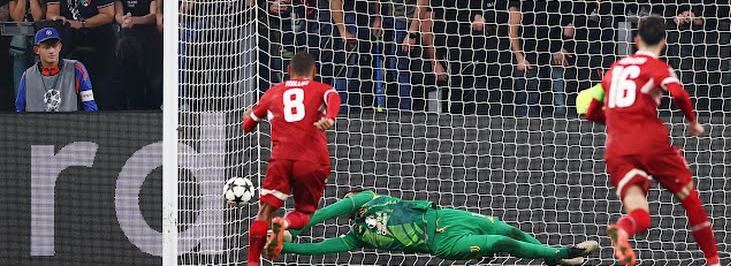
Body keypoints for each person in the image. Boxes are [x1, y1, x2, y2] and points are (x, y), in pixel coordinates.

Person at [581, 15, 720, 266]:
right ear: (664, 42)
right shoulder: (658, 68)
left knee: (639, 214)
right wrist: (692, 122)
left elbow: (591, 112)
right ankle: (713, 260)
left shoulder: (615, 69)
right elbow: (678, 93)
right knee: (691, 201)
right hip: (651, 144)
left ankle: (622, 231)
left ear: (636, 40)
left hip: (617, 150)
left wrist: (616, 122)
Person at [269, 189, 598, 265]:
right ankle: (561, 252)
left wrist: (292, 224)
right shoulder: (355, 237)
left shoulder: (366, 199)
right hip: (439, 244)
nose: (349, 197)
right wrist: (288, 243)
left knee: (510, 231)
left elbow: (321, 214)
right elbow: (320, 246)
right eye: (348, 198)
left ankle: (556, 259)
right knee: (498, 242)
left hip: (446, 217)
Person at [240, 52, 341, 266]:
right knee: (305, 212)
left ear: (288, 71)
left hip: (281, 159)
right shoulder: (321, 88)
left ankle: (252, 263)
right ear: (314, 72)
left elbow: (247, 126)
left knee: (264, 212)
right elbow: (333, 96)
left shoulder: (272, 93)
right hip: (312, 159)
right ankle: (283, 223)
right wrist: (329, 117)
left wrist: (247, 116)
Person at [15, 26, 97, 112]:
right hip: (37, 124)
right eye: (46, 47)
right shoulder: (28, 75)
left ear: (60, 47)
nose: (51, 51)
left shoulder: (76, 69)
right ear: (36, 50)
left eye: (54, 46)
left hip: (69, 124)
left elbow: (89, 105)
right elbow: (19, 109)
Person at [8, 0, 48, 95]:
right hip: (20, 45)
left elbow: (38, 17)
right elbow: (17, 18)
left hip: (39, 43)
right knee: (20, 87)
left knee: (39, 88)